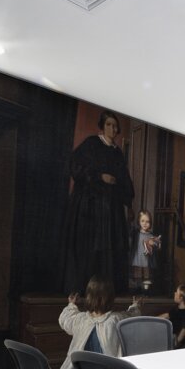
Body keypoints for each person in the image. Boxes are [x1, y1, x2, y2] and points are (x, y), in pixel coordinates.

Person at [60, 110, 136, 295]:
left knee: (110, 248)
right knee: (91, 247)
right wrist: (99, 176)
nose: (113, 129)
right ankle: (84, 289)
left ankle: (107, 291)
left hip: (111, 209)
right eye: (109, 125)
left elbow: (125, 179)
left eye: (115, 126)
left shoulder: (117, 153)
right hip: (90, 207)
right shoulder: (91, 144)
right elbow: (76, 166)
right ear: (103, 126)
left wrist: (128, 201)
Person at [54, 276, 141, 369]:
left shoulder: (81, 320)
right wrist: (136, 306)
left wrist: (71, 305)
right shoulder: (116, 320)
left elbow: (65, 319)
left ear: (88, 296)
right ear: (111, 297)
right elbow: (132, 316)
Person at [129, 209, 161, 292]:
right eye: (142, 221)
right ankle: (137, 287)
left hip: (146, 257)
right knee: (137, 272)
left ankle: (145, 288)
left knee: (147, 273)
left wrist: (153, 243)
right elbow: (130, 240)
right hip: (137, 255)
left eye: (147, 221)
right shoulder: (136, 233)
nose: (145, 223)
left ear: (150, 223)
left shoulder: (151, 234)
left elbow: (157, 244)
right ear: (139, 221)